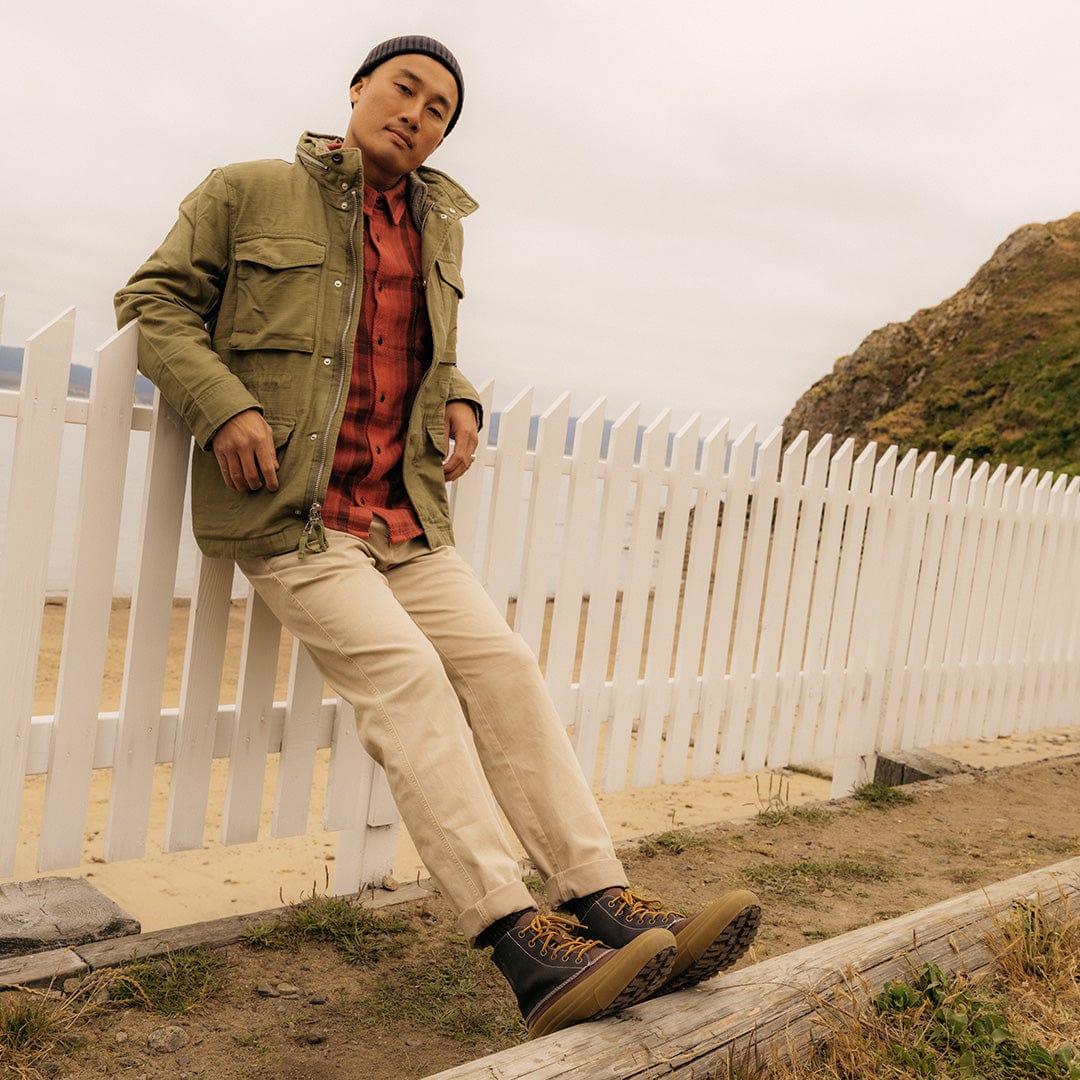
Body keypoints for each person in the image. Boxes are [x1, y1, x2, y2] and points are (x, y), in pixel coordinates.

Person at [115, 35, 760, 1040]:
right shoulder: (244, 189)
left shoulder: (437, 228)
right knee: (409, 682)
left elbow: (419, 348)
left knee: (505, 668)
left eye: (439, 109)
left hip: (407, 520)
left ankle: (601, 899)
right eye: (403, 89)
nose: (417, 112)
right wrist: (223, 406)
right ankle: (520, 941)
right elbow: (153, 301)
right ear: (359, 91)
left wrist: (455, 390)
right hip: (298, 519)